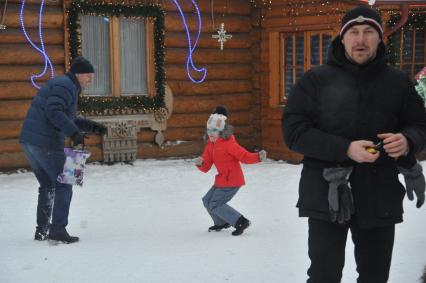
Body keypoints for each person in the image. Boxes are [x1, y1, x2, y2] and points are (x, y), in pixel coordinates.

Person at [281, 5, 426, 283]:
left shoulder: (397, 83)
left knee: (374, 276)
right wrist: (344, 149)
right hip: (326, 193)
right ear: (342, 38)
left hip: (379, 193)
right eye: (354, 32)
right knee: (324, 275)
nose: (361, 39)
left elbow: (421, 125)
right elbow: (294, 132)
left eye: (369, 32)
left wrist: (408, 140)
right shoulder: (315, 81)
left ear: (379, 37)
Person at [20, 56, 107, 244]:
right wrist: (74, 133)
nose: (90, 81)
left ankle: (42, 230)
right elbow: (54, 111)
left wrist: (92, 126)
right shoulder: (66, 85)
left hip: (31, 141)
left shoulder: (66, 85)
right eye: (88, 76)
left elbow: (65, 116)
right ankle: (57, 230)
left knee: (48, 186)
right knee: (64, 183)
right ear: (78, 74)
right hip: (45, 142)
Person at [195, 106, 267, 236]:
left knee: (215, 204)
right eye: (209, 129)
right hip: (222, 180)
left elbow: (244, 156)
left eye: (215, 130)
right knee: (207, 201)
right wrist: (200, 163)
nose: (211, 133)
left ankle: (240, 221)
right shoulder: (210, 146)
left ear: (221, 131)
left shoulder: (229, 144)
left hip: (232, 180)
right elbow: (206, 167)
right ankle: (221, 222)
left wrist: (258, 157)